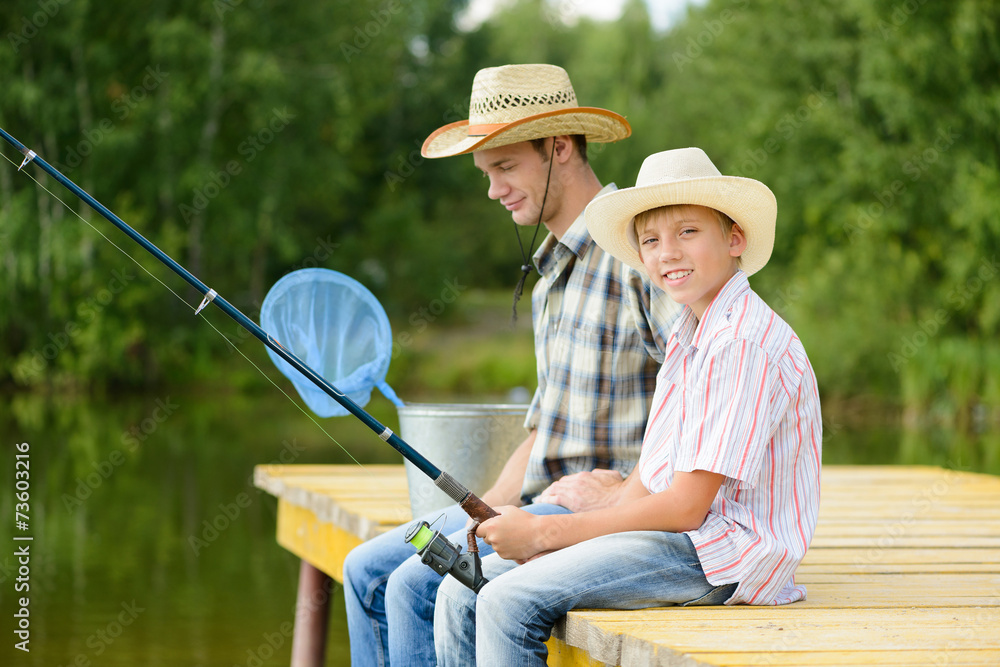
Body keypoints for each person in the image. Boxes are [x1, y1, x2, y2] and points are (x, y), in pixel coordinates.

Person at [342, 64, 681, 666]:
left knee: (416, 588)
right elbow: (543, 421)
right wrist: (486, 504)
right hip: (533, 498)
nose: (494, 190)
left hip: (592, 511)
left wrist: (625, 493)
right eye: (486, 173)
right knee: (365, 568)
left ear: (558, 147)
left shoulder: (637, 253)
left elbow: (695, 391)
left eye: (504, 167)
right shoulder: (550, 274)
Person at [434, 147, 823, 666]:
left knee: (506, 600)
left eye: (688, 232)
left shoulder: (741, 341)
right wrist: (541, 525)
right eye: (651, 240)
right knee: (461, 589)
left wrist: (547, 532)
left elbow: (686, 507)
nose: (668, 253)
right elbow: (650, 477)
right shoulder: (690, 336)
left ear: (735, 238)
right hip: (677, 539)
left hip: (722, 555)